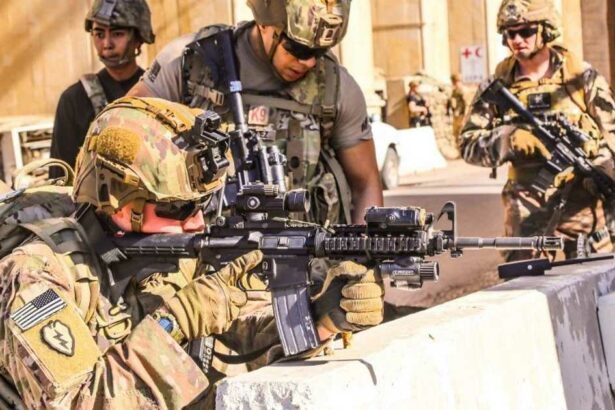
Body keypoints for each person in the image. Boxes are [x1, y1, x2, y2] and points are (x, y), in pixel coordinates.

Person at [0, 97, 384, 409]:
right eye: (181, 208)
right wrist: (177, 320)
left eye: (204, 205)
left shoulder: (178, 254)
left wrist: (321, 318)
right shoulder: (35, 278)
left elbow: (239, 331)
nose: (197, 222)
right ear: (119, 202)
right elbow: (77, 403)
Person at [127, 0, 383, 225]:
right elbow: (124, 130)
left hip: (305, 258)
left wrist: (361, 258)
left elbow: (366, 184)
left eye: (319, 52)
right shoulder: (190, 63)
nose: (309, 62)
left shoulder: (336, 88)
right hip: (201, 255)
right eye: (298, 49)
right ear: (264, 25)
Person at [459, 0, 615, 260]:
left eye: (526, 31)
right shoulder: (498, 86)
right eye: (510, 34)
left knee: (597, 281)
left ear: (546, 30)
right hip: (526, 211)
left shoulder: (581, 77)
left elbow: (611, 132)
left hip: (584, 209)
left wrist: (600, 164)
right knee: (523, 281)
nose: (517, 40)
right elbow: (467, 144)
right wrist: (508, 140)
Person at [49, 0, 155, 178]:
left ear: (139, 37)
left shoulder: (158, 91)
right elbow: (60, 177)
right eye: (99, 34)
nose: (106, 44)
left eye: (117, 34)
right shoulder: (74, 99)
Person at [448, 73, 467, 147]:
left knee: (461, 133)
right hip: (456, 115)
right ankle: (458, 149)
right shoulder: (455, 90)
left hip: (461, 115)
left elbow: (466, 103)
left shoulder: (462, 90)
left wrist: (465, 116)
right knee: (455, 133)